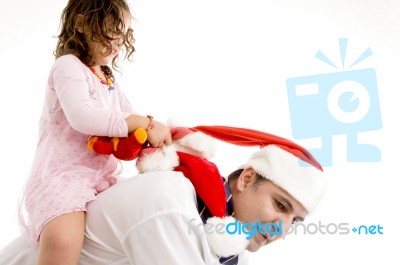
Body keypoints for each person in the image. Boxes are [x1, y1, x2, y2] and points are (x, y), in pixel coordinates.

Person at [0, 125, 328, 265]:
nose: (281, 228)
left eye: (295, 221)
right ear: (247, 178)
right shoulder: (171, 206)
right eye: (280, 205)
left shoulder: (222, 242)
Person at [17, 0, 172, 264]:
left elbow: (127, 115)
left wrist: (151, 132)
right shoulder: (67, 66)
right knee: (64, 240)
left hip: (102, 178)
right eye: (110, 30)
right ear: (80, 24)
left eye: (122, 33)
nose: (117, 41)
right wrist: (140, 122)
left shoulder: (106, 76)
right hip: (62, 176)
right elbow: (82, 116)